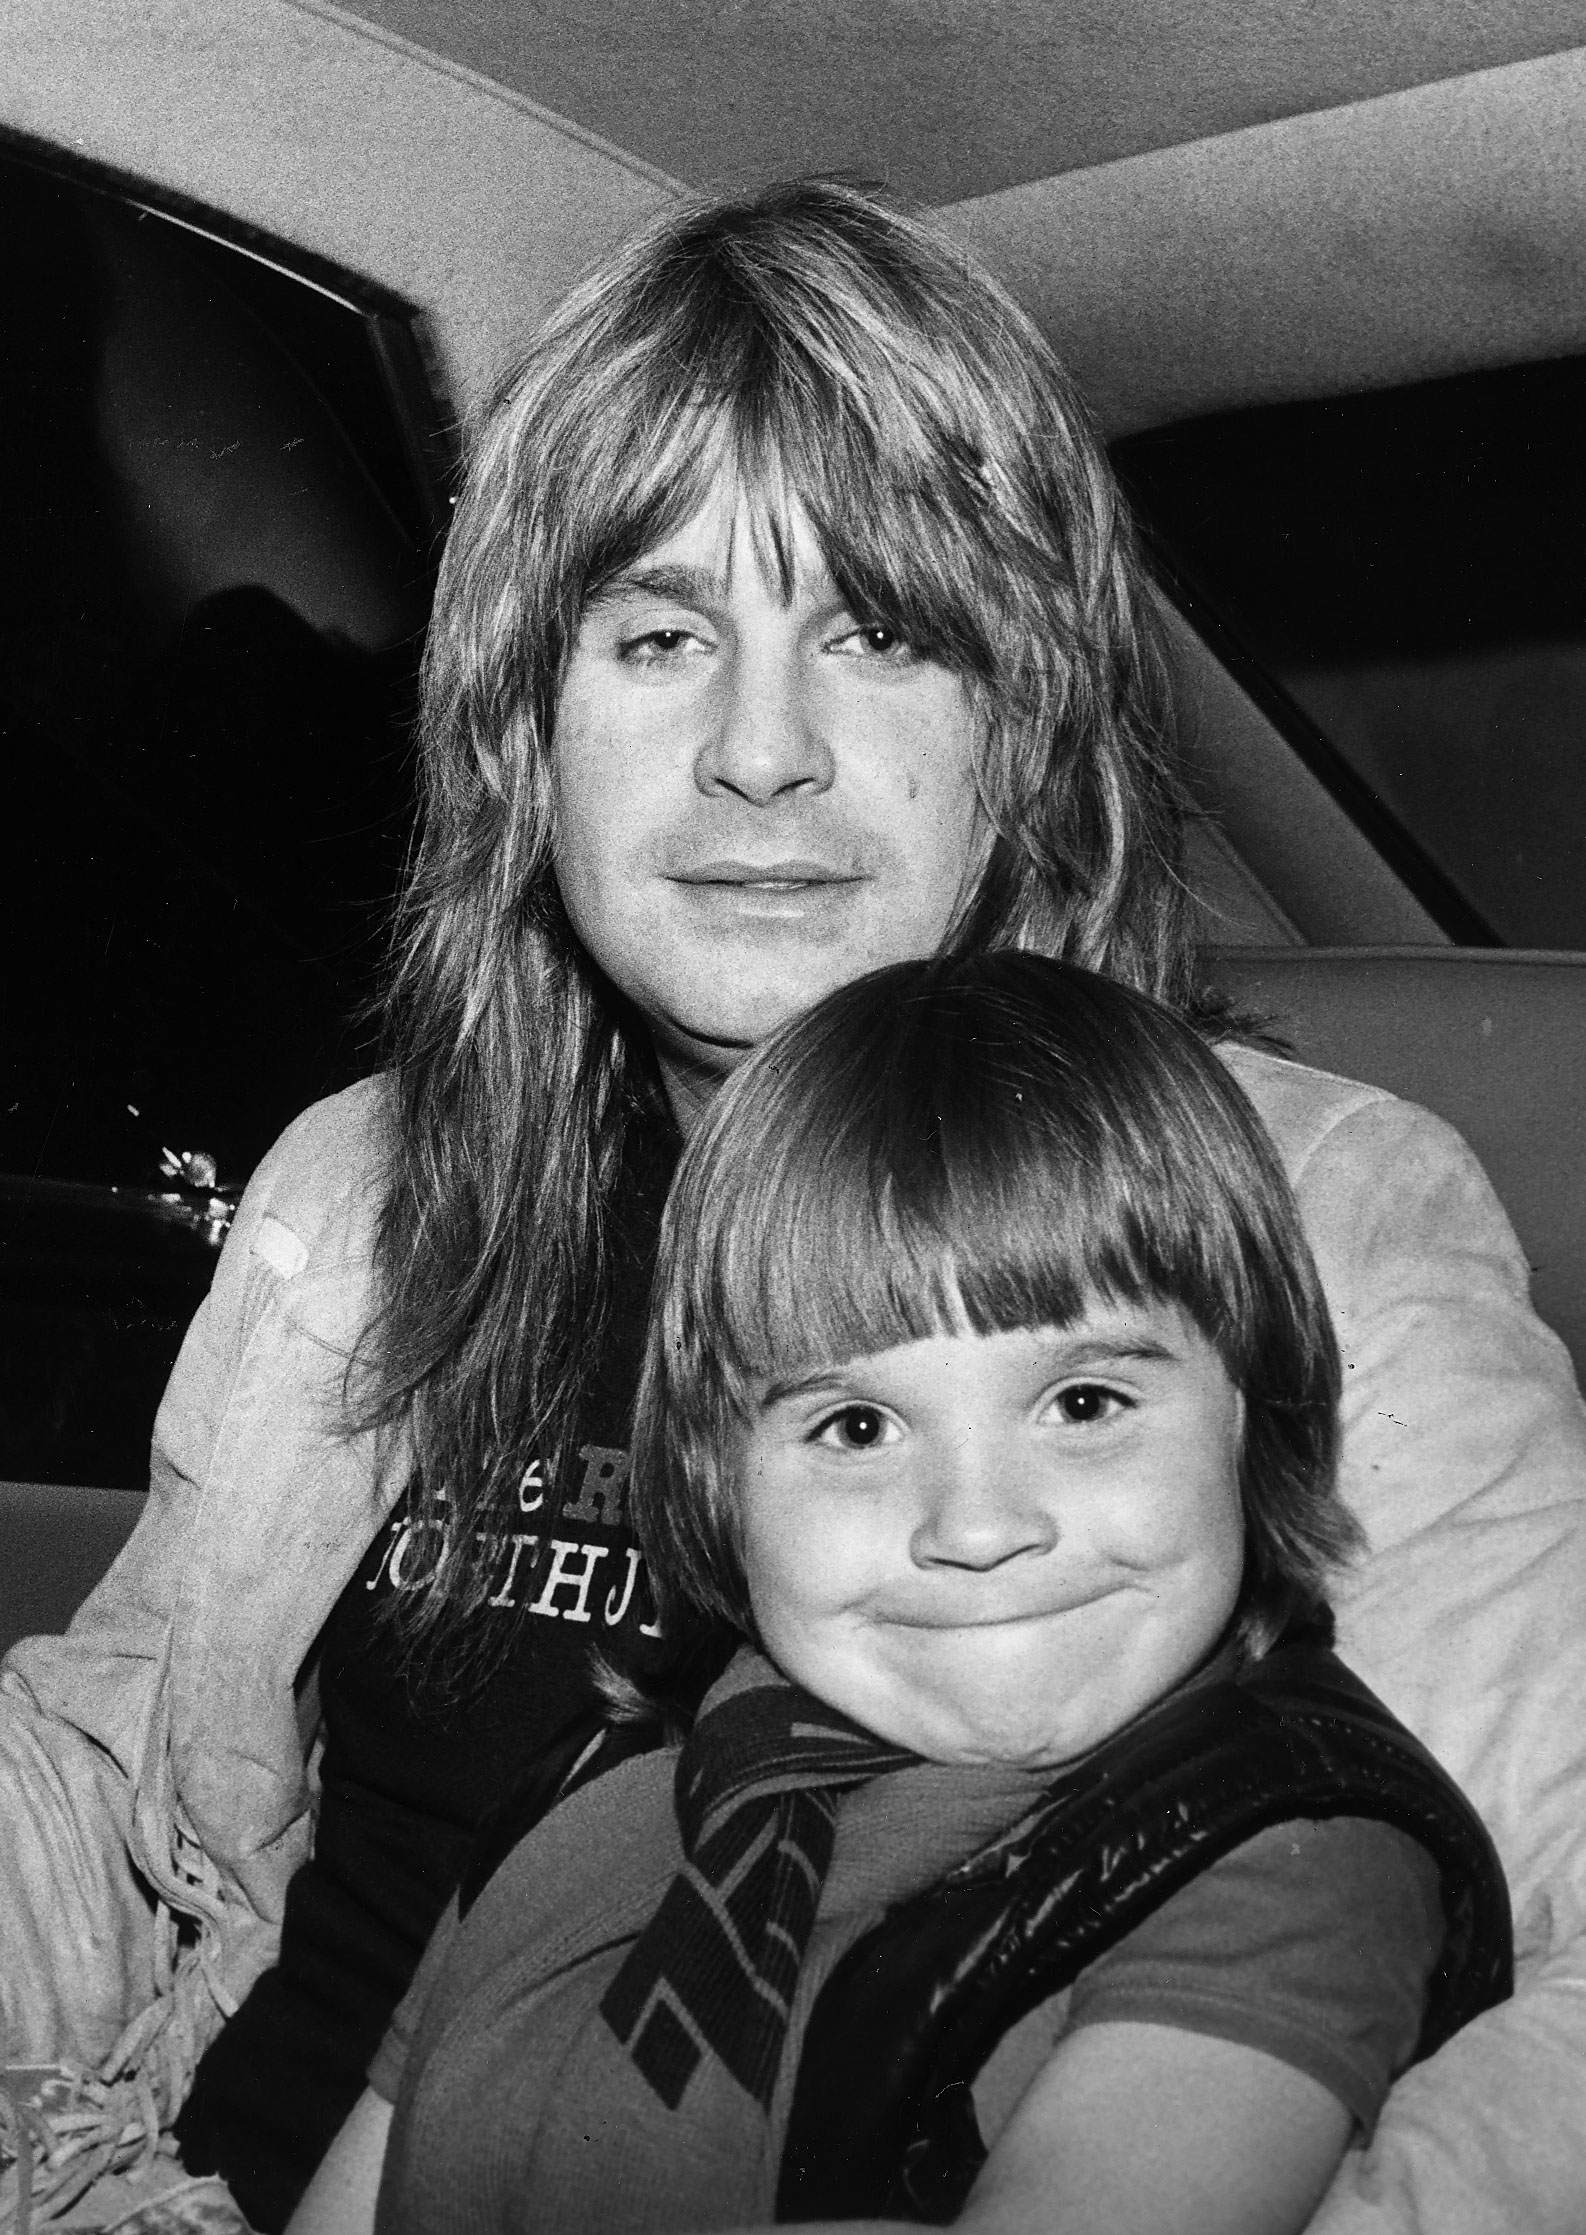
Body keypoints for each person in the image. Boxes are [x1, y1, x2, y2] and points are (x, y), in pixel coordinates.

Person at [0, 177, 1582, 2234]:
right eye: (659, 636)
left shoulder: (1299, 1218)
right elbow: (129, 1776)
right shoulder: (375, 1183)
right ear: (522, 728)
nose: (759, 750)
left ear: (1021, 725)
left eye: (879, 630)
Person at [310, 952, 1511, 2235]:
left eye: (1085, 1402)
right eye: (856, 1427)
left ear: (1251, 1410)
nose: (978, 1527)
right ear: (718, 1477)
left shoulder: (1288, 1851)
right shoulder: (592, 1785)